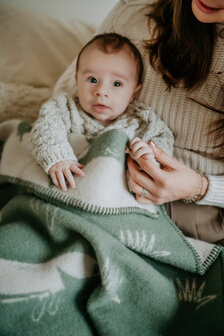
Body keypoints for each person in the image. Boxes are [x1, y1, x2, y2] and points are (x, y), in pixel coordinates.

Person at [53, 0, 224, 245]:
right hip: (97, 180)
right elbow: (66, 99)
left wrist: (200, 187)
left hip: (201, 216)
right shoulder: (136, 10)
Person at [30, 32, 174, 192]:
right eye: (92, 80)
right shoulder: (64, 107)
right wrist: (58, 157)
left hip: (108, 192)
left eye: (117, 84)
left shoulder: (140, 120)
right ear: (77, 80)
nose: (102, 91)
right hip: (67, 185)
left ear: (134, 92)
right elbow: (45, 127)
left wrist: (150, 156)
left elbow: (163, 137)